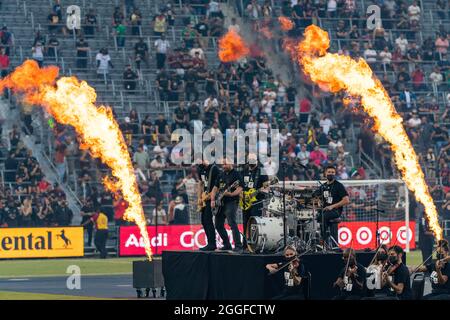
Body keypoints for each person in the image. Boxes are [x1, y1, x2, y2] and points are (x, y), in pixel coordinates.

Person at [210, 159, 243, 252]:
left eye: (225, 164)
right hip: (220, 203)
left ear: (231, 163)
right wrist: (212, 200)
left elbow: (240, 188)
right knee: (218, 224)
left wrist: (231, 194)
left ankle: (238, 246)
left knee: (232, 223)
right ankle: (227, 244)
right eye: (222, 164)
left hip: (231, 202)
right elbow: (215, 188)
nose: (223, 166)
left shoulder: (236, 174)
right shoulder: (221, 174)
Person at [316, 165, 349, 245]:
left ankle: (323, 239)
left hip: (336, 211)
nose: (331, 174)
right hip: (325, 211)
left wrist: (332, 206)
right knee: (318, 216)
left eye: (333, 172)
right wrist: (318, 200)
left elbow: (346, 200)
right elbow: (315, 195)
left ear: (335, 174)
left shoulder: (338, 185)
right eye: (329, 172)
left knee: (324, 216)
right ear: (325, 173)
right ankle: (325, 241)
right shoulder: (323, 186)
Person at [242, 153, 268, 250]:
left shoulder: (262, 171)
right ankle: (245, 245)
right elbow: (241, 185)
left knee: (254, 223)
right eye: (250, 159)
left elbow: (266, 186)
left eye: (253, 159)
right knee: (245, 222)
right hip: (245, 201)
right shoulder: (244, 170)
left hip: (257, 201)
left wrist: (262, 189)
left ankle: (254, 245)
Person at [197, 158, 221, 251]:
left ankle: (212, 243)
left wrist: (211, 196)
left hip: (213, 198)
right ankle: (209, 242)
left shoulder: (214, 169)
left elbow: (218, 185)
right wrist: (199, 197)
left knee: (208, 220)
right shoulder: (200, 169)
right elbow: (200, 183)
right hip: (204, 198)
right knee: (203, 221)